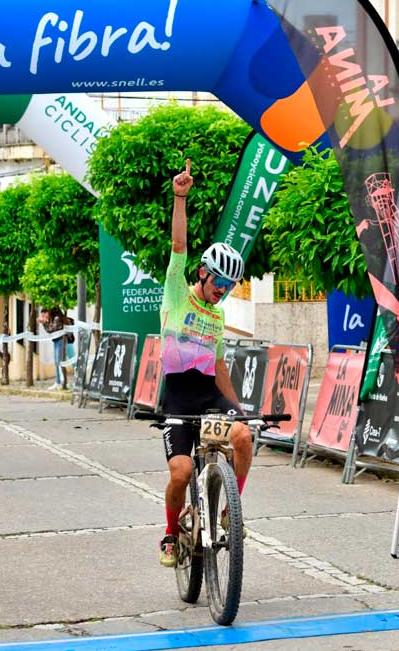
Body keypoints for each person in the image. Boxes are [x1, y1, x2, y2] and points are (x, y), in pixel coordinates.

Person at [156, 160, 251, 568]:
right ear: (202, 274)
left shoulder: (215, 317)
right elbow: (178, 246)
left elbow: (218, 366)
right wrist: (180, 198)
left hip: (208, 394)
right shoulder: (177, 294)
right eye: (218, 283)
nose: (223, 292)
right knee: (179, 473)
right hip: (177, 396)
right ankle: (170, 533)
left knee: (245, 436)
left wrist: (240, 409)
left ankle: (232, 510)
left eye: (229, 287)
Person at [40, 307, 73, 390]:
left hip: (61, 340)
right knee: (57, 362)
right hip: (56, 341)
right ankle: (58, 382)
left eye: (45, 315)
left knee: (60, 361)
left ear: (48, 312)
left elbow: (51, 330)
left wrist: (44, 323)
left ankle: (62, 382)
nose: (44, 317)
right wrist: (45, 322)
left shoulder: (56, 318)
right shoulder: (52, 319)